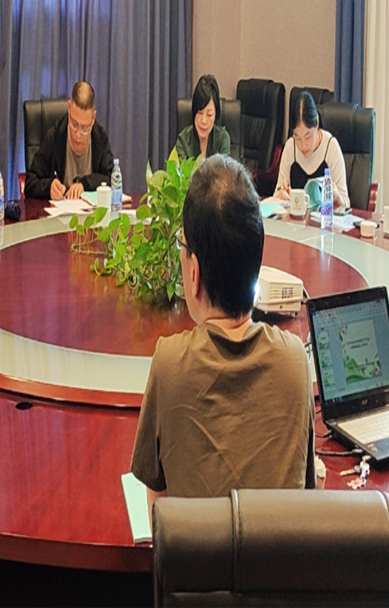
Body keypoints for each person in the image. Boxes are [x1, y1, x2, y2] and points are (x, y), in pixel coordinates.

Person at [131, 155, 317, 510]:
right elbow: (305, 491)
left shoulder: (170, 364)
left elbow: (159, 510)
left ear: (194, 273)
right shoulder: (294, 362)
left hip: (191, 550)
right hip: (276, 550)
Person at [24, 81, 116, 200]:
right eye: (74, 124)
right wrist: (48, 187)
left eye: (85, 128)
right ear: (69, 108)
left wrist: (85, 184)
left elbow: (112, 179)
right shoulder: (54, 137)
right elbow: (30, 184)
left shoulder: (99, 138)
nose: (78, 134)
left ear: (93, 118)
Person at [273, 90, 349, 210]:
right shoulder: (290, 147)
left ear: (316, 124)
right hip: (296, 220)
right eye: (297, 137)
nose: (303, 145)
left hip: (324, 219)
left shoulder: (331, 147)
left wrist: (337, 197)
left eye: (308, 136)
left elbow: (346, 203)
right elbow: (277, 192)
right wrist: (281, 195)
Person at [174, 74, 230, 160]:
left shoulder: (223, 139)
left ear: (216, 115)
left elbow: (224, 168)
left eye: (209, 114)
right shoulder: (183, 140)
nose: (203, 120)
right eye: (200, 113)